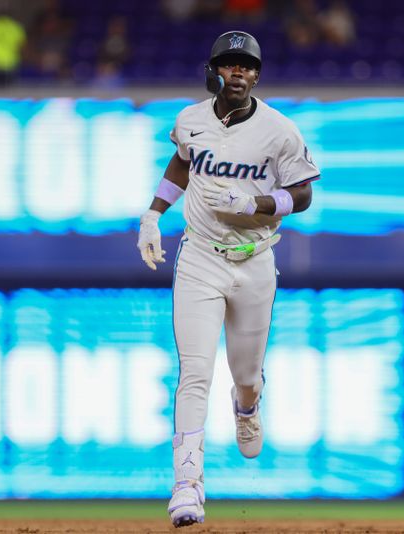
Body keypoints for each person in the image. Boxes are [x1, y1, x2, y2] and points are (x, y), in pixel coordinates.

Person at [136, 31, 320, 528]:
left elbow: (302, 196)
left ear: (257, 75)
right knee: (194, 372)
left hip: (255, 257)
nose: (238, 72)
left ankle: (247, 407)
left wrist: (256, 203)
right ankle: (187, 486)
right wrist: (153, 215)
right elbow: (181, 163)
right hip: (199, 256)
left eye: (247, 66)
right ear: (212, 70)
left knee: (244, 373)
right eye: (229, 64)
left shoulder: (280, 130)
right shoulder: (190, 120)